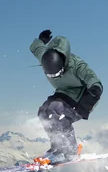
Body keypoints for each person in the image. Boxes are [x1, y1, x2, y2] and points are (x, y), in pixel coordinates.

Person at [30, 29, 103, 164]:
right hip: (63, 93)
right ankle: (57, 146)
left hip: (84, 97)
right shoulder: (44, 57)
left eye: (58, 74)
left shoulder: (77, 65)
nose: (55, 77)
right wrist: (40, 40)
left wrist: (95, 89)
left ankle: (70, 150)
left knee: (55, 111)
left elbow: (93, 79)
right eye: (51, 76)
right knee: (43, 112)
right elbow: (36, 48)